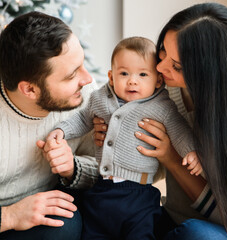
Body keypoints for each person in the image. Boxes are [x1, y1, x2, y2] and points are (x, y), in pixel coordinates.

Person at [93, 3, 227, 240]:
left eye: (177, 66)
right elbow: (142, 175)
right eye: (162, 51)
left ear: (208, 73)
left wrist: (172, 159)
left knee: (196, 235)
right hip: (176, 220)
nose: (160, 67)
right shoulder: (167, 93)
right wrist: (115, 139)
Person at [0, 11, 100, 240]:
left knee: (103, 207)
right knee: (64, 227)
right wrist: (10, 216)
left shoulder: (85, 97)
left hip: (41, 202)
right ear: (30, 89)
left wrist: (73, 168)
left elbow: (108, 170)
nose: (88, 79)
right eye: (71, 75)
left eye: (81, 64)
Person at [45, 36, 201, 239]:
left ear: (158, 80)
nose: (132, 80)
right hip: (102, 190)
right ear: (111, 77)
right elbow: (83, 119)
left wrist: (190, 151)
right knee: (94, 232)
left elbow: (179, 130)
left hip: (139, 195)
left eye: (143, 74)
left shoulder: (161, 106)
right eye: (124, 73)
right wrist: (62, 130)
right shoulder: (100, 99)